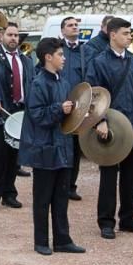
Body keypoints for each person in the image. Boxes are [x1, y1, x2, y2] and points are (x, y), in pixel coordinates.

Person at [85, 17, 133, 240]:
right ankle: (106, 222)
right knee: (108, 176)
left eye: (129, 33)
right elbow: (93, 95)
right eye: (125, 33)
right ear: (112, 35)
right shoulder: (98, 62)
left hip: (131, 127)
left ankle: (128, 219)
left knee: (131, 174)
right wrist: (99, 121)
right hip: (110, 127)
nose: (129, 37)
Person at [19, 37, 85, 255]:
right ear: (48, 57)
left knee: (60, 197)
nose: (64, 58)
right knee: (42, 198)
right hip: (45, 149)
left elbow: (65, 117)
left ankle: (62, 240)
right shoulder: (38, 83)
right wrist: (59, 109)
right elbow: (37, 116)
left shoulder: (63, 82)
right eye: (60, 55)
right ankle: (41, 241)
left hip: (62, 147)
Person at [0, 22, 32, 211]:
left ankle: (9, 194)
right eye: (10, 35)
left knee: (13, 158)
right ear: (2, 36)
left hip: (19, 114)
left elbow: (31, 83)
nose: (13, 38)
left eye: (16, 35)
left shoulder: (25, 60)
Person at [59, 16, 84, 200]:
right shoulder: (57, 49)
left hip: (78, 107)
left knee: (75, 149)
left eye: (76, 25)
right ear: (62, 30)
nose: (74, 27)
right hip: (59, 105)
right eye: (70, 25)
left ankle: (71, 186)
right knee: (60, 146)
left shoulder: (85, 50)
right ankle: (60, 184)